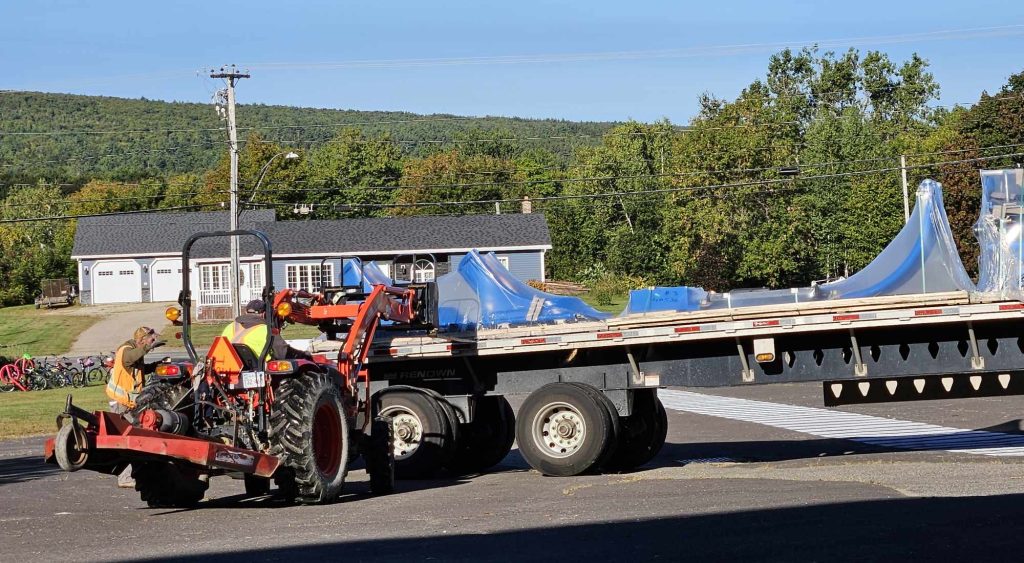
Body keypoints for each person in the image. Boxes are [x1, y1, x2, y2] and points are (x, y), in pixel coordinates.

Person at [105, 326, 167, 488]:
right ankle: (125, 477)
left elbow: (140, 370)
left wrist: (156, 366)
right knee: (133, 439)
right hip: (120, 402)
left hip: (129, 402)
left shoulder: (135, 351)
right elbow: (131, 358)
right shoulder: (126, 351)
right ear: (141, 339)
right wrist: (148, 347)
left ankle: (131, 475)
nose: (153, 342)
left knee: (136, 438)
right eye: (151, 339)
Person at [222, 299, 311, 360]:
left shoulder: (230, 327)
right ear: (264, 314)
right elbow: (283, 352)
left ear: (246, 312)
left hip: (233, 367)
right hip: (262, 370)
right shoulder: (266, 330)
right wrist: (303, 355)